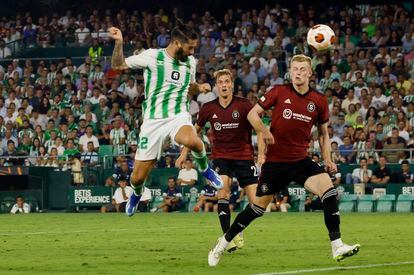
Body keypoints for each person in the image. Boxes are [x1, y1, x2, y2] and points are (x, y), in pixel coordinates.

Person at [208, 54, 360, 267]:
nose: (297, 73)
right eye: (294, 69)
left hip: (300, 160)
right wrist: (264, 131)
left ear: (309, 73)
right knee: (257, 209)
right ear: (291, 71)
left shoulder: (319, 100)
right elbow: (253, 115)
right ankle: (223, 243)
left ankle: (337, 245)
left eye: (302, 69)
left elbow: (324, 134)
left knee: (329, 191)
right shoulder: (279, 92)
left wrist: (327, 159)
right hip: (276, 163)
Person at [108, 21, 224, 216]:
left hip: (178, 116)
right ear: (177, 43)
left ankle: (206, 170)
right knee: (136, 178)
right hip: (153, 122)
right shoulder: (153, 57)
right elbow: (118, 65)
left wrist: (199, 87)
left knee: (193, 141)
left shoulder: (190, 62)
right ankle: (136, 194)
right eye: (190, 47)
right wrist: (119, 42)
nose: (192, 52)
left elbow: (190, 86)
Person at [177, 69, 263, 252]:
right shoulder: (208, 108)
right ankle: (228, 239)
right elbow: (194, 131)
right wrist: (184, 152)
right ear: (216, 86)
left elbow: (260, 130)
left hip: (244, 158)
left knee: (257, 205)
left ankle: (235, 230)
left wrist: (262, 155)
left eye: (227, 81)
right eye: (220, 82)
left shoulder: (245, 105)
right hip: (222, 158)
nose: (224, 85)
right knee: (222, 193)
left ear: (232, 84)